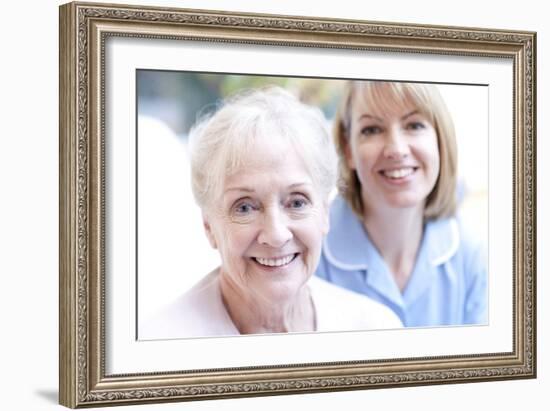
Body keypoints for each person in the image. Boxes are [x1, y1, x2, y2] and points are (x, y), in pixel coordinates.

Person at [141, 87, 402, 339]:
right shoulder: (157, 347)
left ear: (324, 213)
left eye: (297, 203)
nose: (276, 235)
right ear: (208, 226)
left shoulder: (375, 328)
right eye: (244, 207)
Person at [315, 81, 488, 327]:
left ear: (440, 140)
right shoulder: (311, 256)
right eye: (372, 129)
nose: (396, 149)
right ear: (348, 149)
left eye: (414, 125)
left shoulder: (471, 256)